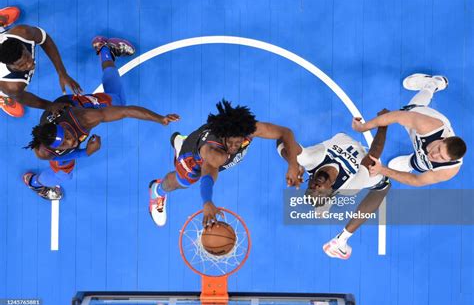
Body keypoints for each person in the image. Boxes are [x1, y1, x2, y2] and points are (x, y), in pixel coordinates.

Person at [22, 36, 179, 200]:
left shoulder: (86, 117)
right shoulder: (44, 151)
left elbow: (126, 111)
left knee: (118, 101)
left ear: (64, 127)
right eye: (63, 143)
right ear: (53, 148)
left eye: (67, 135)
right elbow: (64, 153)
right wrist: (86, 153)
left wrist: (160, 118)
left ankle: (105, 49)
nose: (71, 142)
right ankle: (34, 182)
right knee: (64, 176)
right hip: (55, 119)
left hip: (75, 106)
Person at [148, 100, 301, 227]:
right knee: (183, 181)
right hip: (195, 158)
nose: (234, 147)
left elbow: (285, 133)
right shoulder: (216, 154)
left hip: (202, 140)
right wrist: (207, 202)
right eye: (231, 142)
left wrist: (293, 164)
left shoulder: (249, 128)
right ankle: (157, 191)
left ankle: (182, 142)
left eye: (238, 142)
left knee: (201, 148)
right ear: (223, 136)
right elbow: (207, 176)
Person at [278, 110, 391, 259]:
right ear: (331, 190)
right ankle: (341, 239)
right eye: (319, 192)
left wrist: (293, 163)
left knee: (301, 158)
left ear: (309, 179)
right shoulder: (351, 186)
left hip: (342, 138)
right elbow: (374, 154)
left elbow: (281, 139)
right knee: (383, 186)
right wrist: (383, 124)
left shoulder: (309, 159)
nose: (316, 187)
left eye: (311, 188)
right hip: (362, 168)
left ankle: (321, 204)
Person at [352, 73, 466, 187]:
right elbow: (395, 116)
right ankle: (432, 84)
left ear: (449, 161)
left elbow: (416, 180)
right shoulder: (428, 126)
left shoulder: (447, 171)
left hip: (422, 144)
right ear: (443, 139)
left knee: (422, 164)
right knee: (410, 108)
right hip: (424, 124)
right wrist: (363, 127)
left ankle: (411, 163)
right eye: (439, 149)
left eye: (442, 158)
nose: (435, 155)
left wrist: (382, 170)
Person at [0, 22, 81, 117]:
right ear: (9, 65)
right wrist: (50, 106)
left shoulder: (23, 33)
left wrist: (62, 72)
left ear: (23, 46)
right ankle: (3, 97)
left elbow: (44, 39)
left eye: (27, 56)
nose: (30, 64)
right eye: (22, 65)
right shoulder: (12, 86)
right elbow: (22, 97)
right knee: (8, 92)